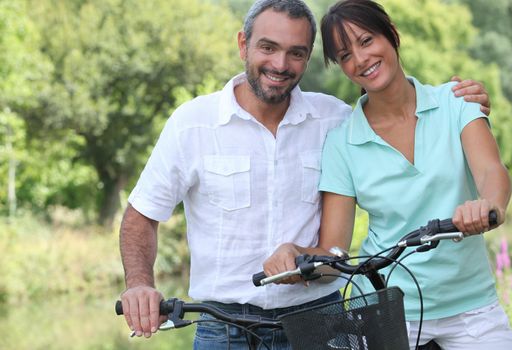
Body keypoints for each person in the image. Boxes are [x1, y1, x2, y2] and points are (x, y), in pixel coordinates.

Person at [118, 0, 492, 349]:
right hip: (223, 328)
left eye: (296, 53)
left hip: (319, 322)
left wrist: (460, 103)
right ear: (243, 44)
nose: (281, 64)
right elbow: (141, 215)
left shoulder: (335, 120)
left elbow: (397, 118)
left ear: (308, 57)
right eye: (268, 47)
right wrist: (139, 285)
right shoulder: (192, 124)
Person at [263, 1, 512, 349]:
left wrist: (488, 205)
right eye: (344, 55)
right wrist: (296, 254)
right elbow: (334, 252)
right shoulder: (342, 142)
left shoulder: (455, 102)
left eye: (367, 40)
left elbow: (492, 171)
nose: (360, 59)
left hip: (472, 308)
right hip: (387, 310)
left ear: (392, 35)